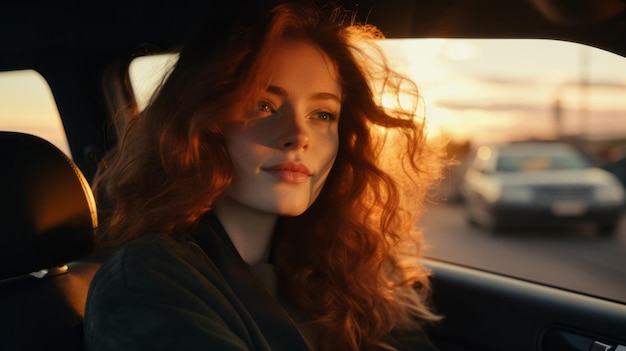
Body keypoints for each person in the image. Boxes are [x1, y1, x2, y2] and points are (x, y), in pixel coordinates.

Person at [84, 1, 446, 350]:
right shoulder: (147, 281)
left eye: (322, 114)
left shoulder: (348, 268)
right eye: (264, 105)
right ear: (203, 123)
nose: (300, 136)